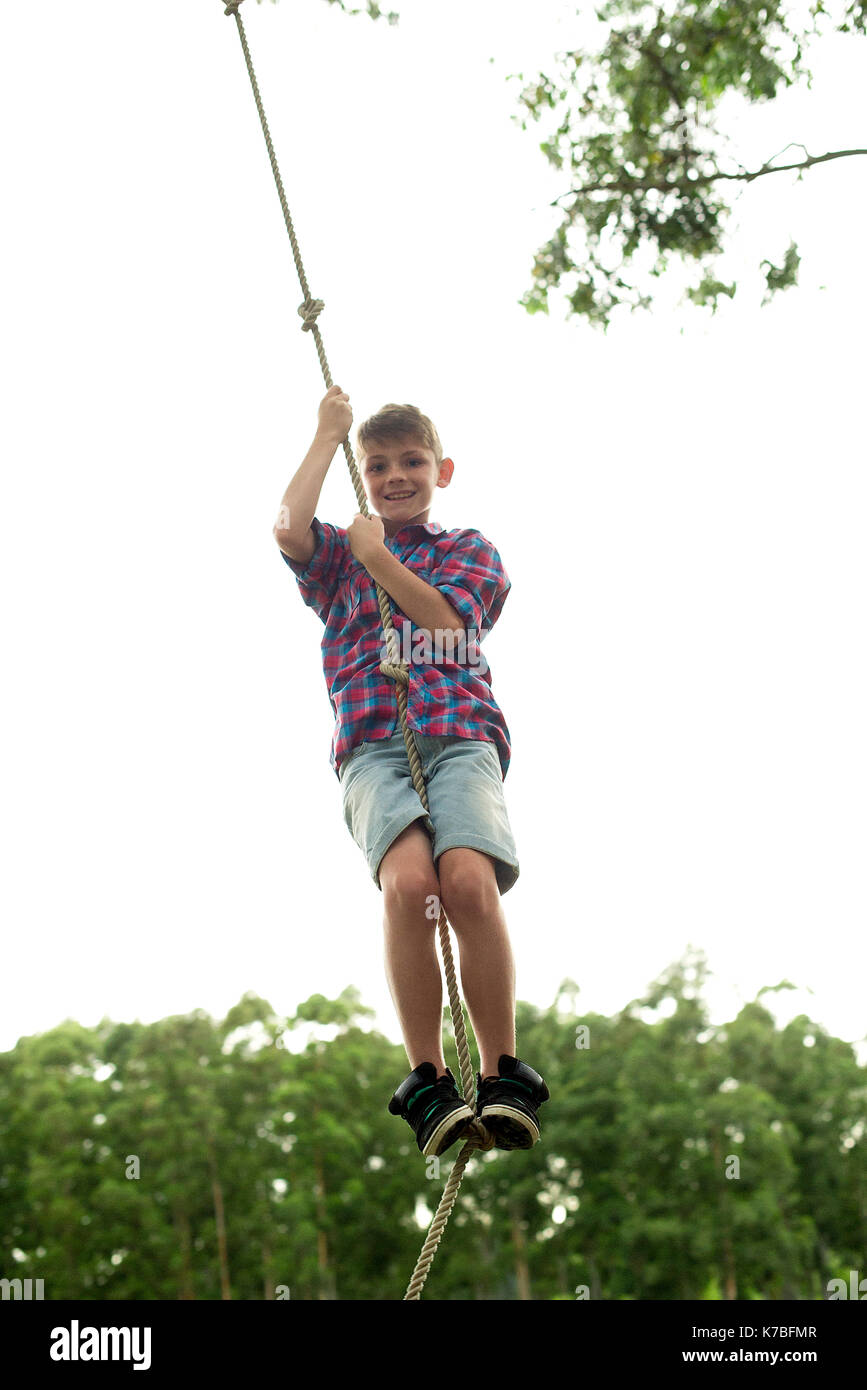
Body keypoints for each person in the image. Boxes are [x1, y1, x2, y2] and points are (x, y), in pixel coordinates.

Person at [273, 384, 549, 1157]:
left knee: (466, 881)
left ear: (442, 470)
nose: (396, 476)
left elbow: (448, 624)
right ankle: (425, 1077)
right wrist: (327, 436)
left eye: (412, 461)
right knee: (410, 887)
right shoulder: (338, 558)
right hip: (372, 743)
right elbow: (289, 527)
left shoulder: (468, 550)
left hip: (458, 737)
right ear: (363, 476)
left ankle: (502, 1072)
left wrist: (379, 557)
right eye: (379, 465)